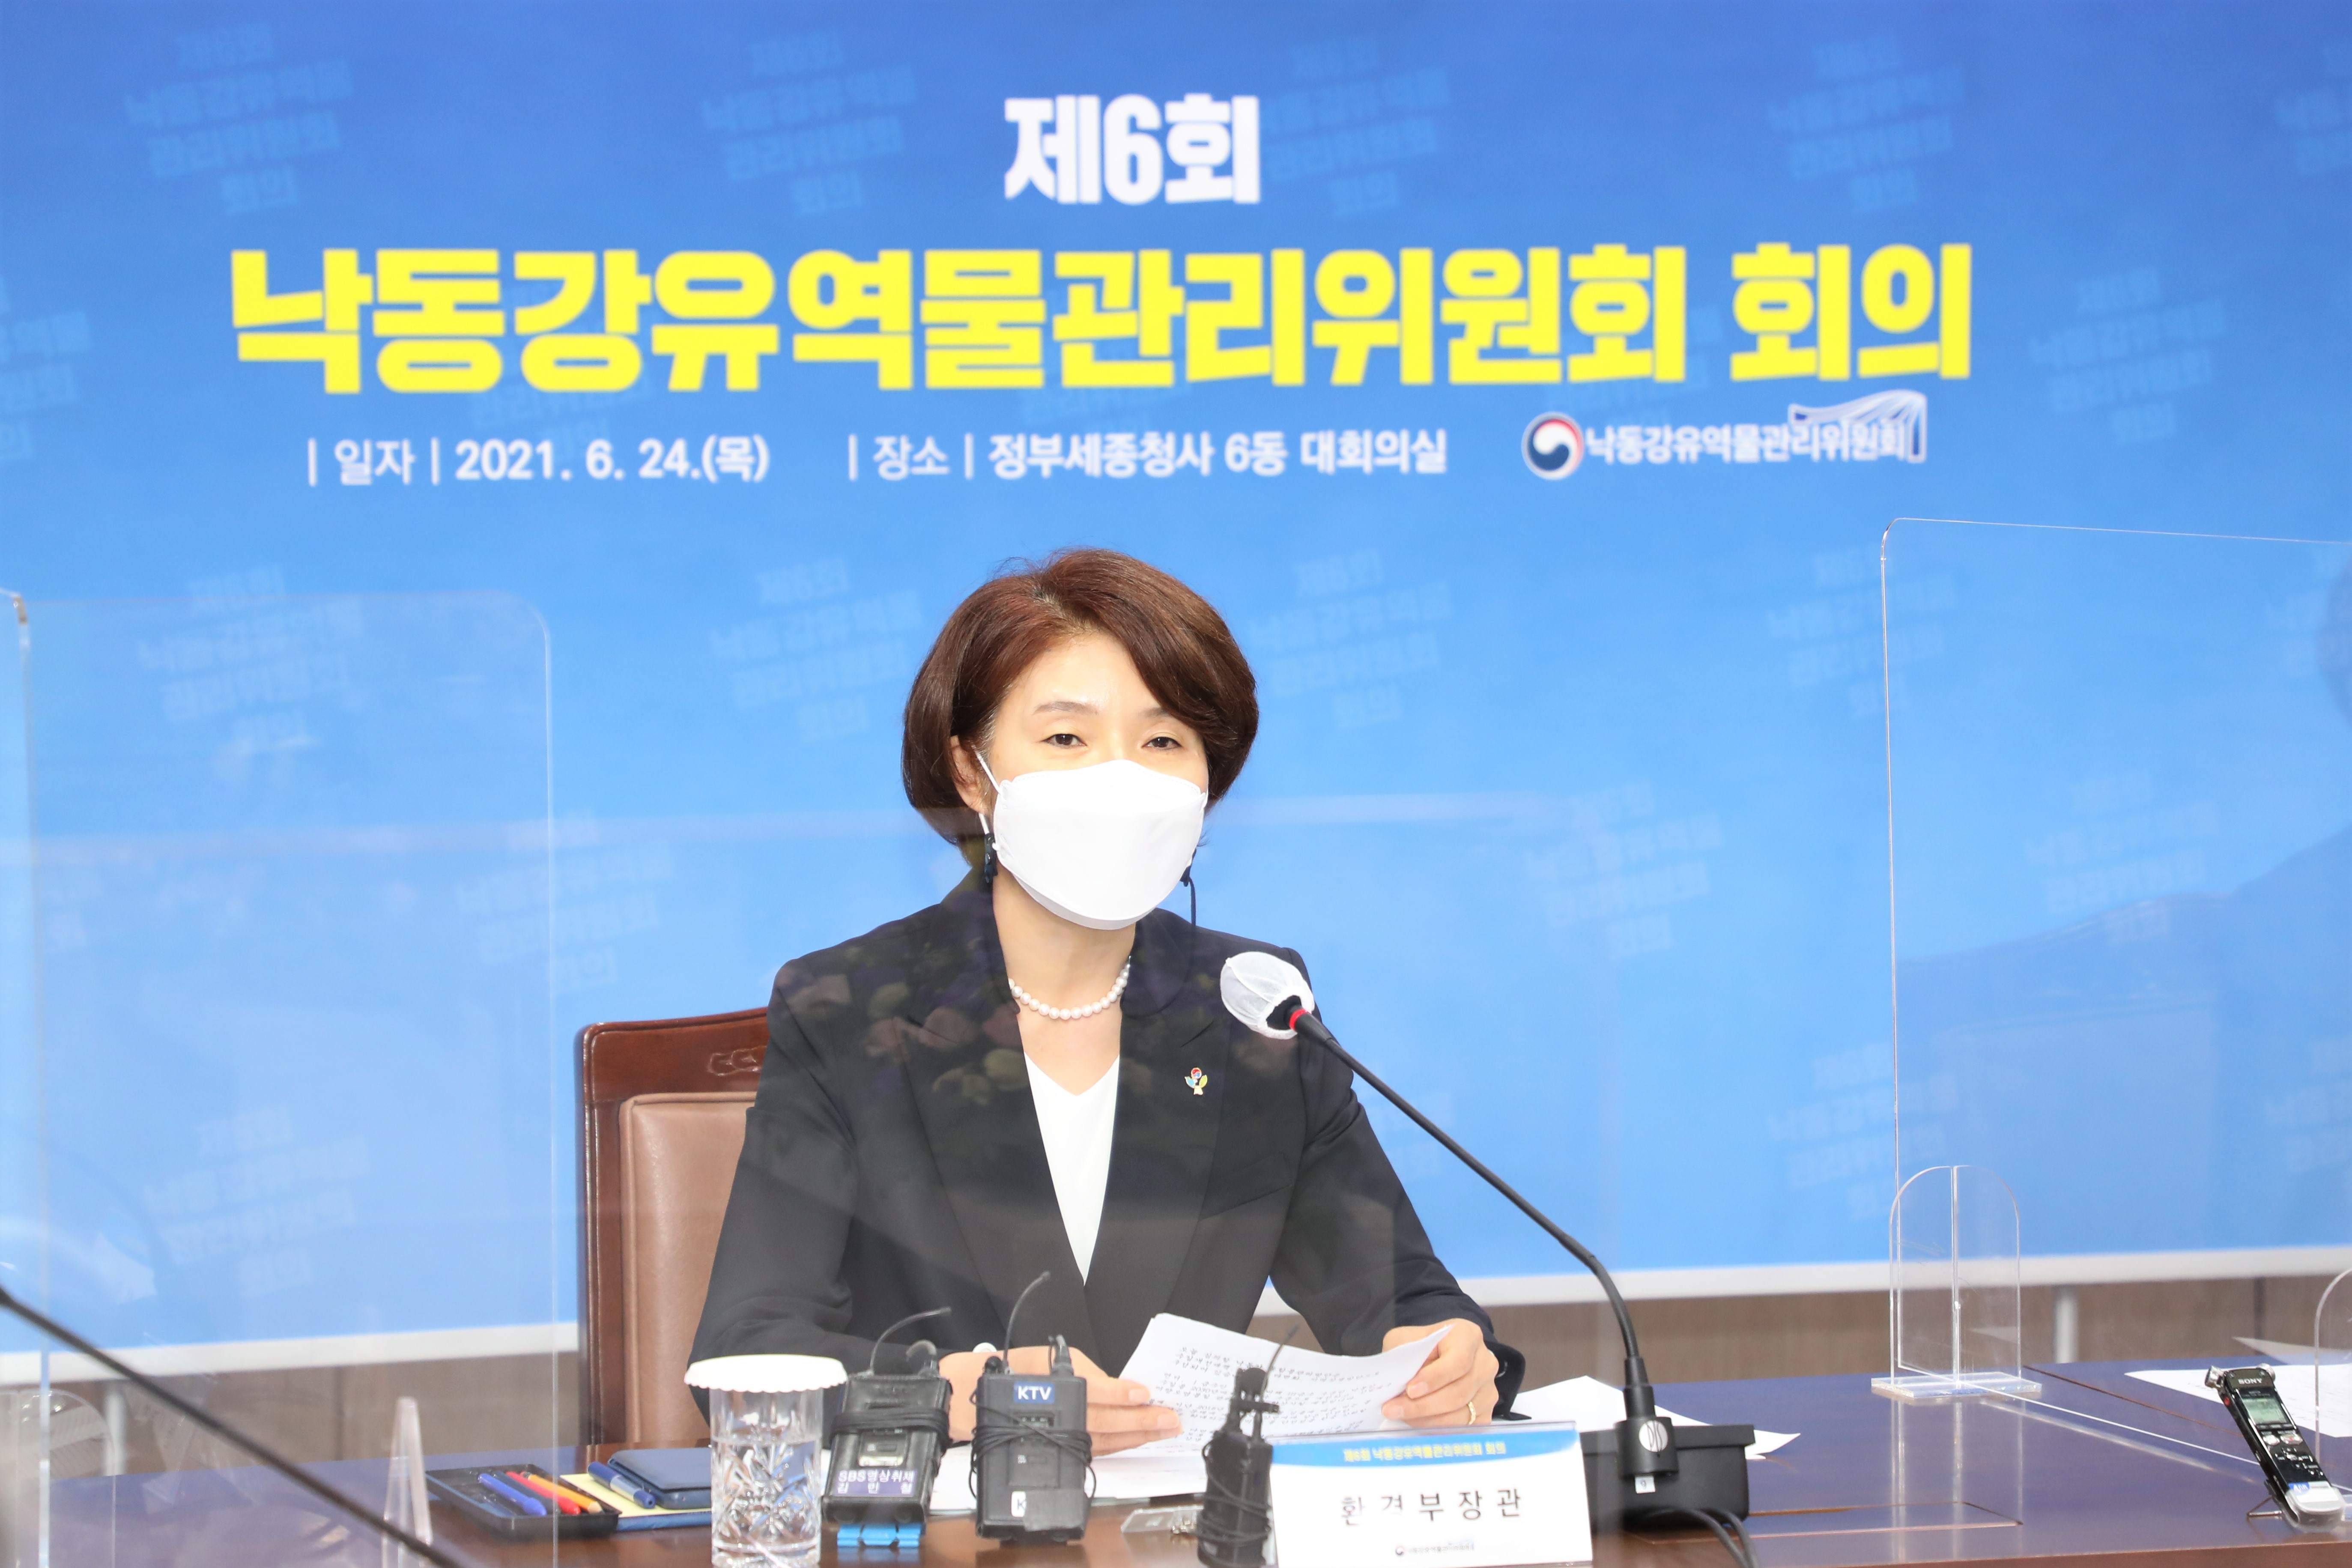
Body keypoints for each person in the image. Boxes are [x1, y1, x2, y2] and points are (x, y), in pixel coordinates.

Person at [692, 549, 1521, 1452]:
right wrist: (950, 1393)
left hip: (1182, 1515)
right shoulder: (851, 1006)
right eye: (1066, 739)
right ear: (972, 773)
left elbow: (1400, 1298)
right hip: (953, 1516)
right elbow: (747, 1350)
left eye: (1162, 742)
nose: (1119, 778)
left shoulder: (1253, 1008)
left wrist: (1443, 1357)